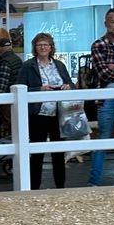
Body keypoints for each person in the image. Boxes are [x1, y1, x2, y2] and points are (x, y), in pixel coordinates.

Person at [18, 32, 72, 190]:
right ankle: (33, 188)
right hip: (38, 114)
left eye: (45, 44)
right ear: (35, 47)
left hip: (58, 114)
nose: (42, 47)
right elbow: (19, 87)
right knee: (36, 153)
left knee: (58, 153)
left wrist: (67, 86)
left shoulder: (59, 65)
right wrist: (40, 89)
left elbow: (70, 83)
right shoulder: (28, 66)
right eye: (39, 44)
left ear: (51, 47)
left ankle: (60, 187)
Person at [88, 8, 114, 186]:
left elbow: (111, 70)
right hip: (108, 93)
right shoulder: (98, 45)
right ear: (106, 23)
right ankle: (93, 182)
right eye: (113, 22)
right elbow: (103, 74)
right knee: (103, 137)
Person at [0, 37, 22, 137]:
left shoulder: (5, 62)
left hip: (7, 98)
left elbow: (2, 82)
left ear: (0, 48)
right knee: (15, 121)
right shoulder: (17, 59)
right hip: (17, 96)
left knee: (7, 122)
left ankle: (8, 140)